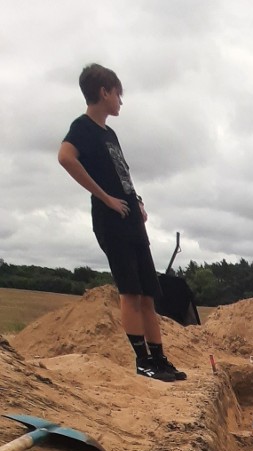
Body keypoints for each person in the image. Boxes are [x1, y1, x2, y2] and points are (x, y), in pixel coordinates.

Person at [58, 64, 184, 382]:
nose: (120, 102)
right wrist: (104, 197)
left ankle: (159, 358)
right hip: (111, 220)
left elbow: (122, 176)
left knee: (148, 294)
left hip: (131, 219)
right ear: (104, 92)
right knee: (130, 291)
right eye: (118, 95)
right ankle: (142, 361)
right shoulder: (82, 128)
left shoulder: (110, 134)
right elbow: (64, 157)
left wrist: (136, 201)